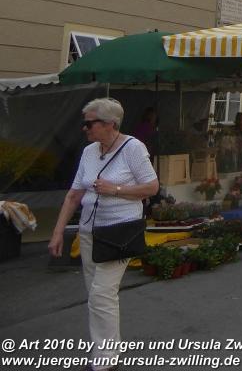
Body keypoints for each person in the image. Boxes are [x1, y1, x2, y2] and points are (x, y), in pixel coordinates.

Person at [48, 98, 159, 371]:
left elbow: (152, 187)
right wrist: (58, 231)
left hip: (119, 231)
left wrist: (116, 190)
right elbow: (75, 194)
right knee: (97, 295)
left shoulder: (133, 148)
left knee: (101, 295)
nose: (84, 129)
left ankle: (106, 361)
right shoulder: (88, 152)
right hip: (89, 232)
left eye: (89, 123)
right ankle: (105, 351)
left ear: (110, 124)